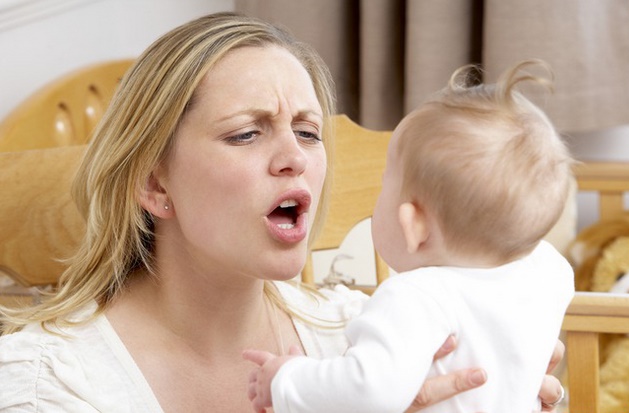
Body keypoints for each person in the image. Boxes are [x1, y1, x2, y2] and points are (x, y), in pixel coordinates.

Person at [0, 12, 564, 412]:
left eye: (308, 131)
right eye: (247, 133)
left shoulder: (363, 338)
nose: (295, 158)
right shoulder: (47, 384)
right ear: (154, 183)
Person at [243, 60, 574, 413]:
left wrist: (286, 379)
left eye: (387, 180)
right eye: (244, 133)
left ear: (412, 225)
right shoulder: (550, 272)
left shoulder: (415, 297)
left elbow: (369, 390)